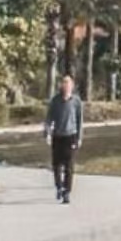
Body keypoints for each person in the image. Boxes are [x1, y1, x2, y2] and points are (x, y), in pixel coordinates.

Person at [43, 74, 83, 204]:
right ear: (61, 86)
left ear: (72, 86)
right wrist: (48, 133)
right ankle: (59, 187)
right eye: (64, 85)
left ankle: (67, 192)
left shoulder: (76, 102)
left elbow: (79, 121)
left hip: (71, 136)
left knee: (69, 167)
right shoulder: (55, 101)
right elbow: (49, 119)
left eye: (68, 85)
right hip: (58, 136)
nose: (66, 87)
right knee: (56, 166)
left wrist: (79, 138)